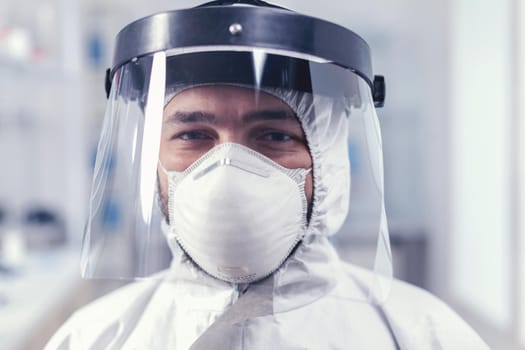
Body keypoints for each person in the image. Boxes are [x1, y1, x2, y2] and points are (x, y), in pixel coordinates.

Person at [45, 1, 490, 349]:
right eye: (194, 134)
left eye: (274, 135)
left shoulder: (423, 337)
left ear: (328, 157)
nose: (226, 174)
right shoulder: (92, 339)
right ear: (152, 160)